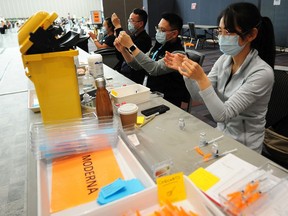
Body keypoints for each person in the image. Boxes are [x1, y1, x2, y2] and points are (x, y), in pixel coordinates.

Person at [164, 2, 275, 152]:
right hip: (221, 137)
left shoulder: (262, 73)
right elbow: (198, 97)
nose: (222, 37)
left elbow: (222, 115)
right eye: (220, 31)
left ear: (251, 35)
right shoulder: (224, 59)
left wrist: (201, 78)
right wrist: (187, 73)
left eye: (228, 32)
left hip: (246, 148)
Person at [114, 12, 190, 107]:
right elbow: (136, 65)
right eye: (158, 28)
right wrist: (123, 50)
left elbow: (154, 69)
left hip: (166, 101)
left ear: (174, 33)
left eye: (162, 30)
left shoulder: (178, 54)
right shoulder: (158, 46)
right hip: (151, 93)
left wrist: (131, 46)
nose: (158, 32)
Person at [111, 8, 152, 83]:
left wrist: (117, 26)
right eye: (129, 20)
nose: (129, 23)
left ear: (141, 24)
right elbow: (120, 56)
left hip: (133, 76)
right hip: (123, 71)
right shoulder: (133, 36)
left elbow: (131, 58)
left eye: (132, 21)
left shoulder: (145, 39)